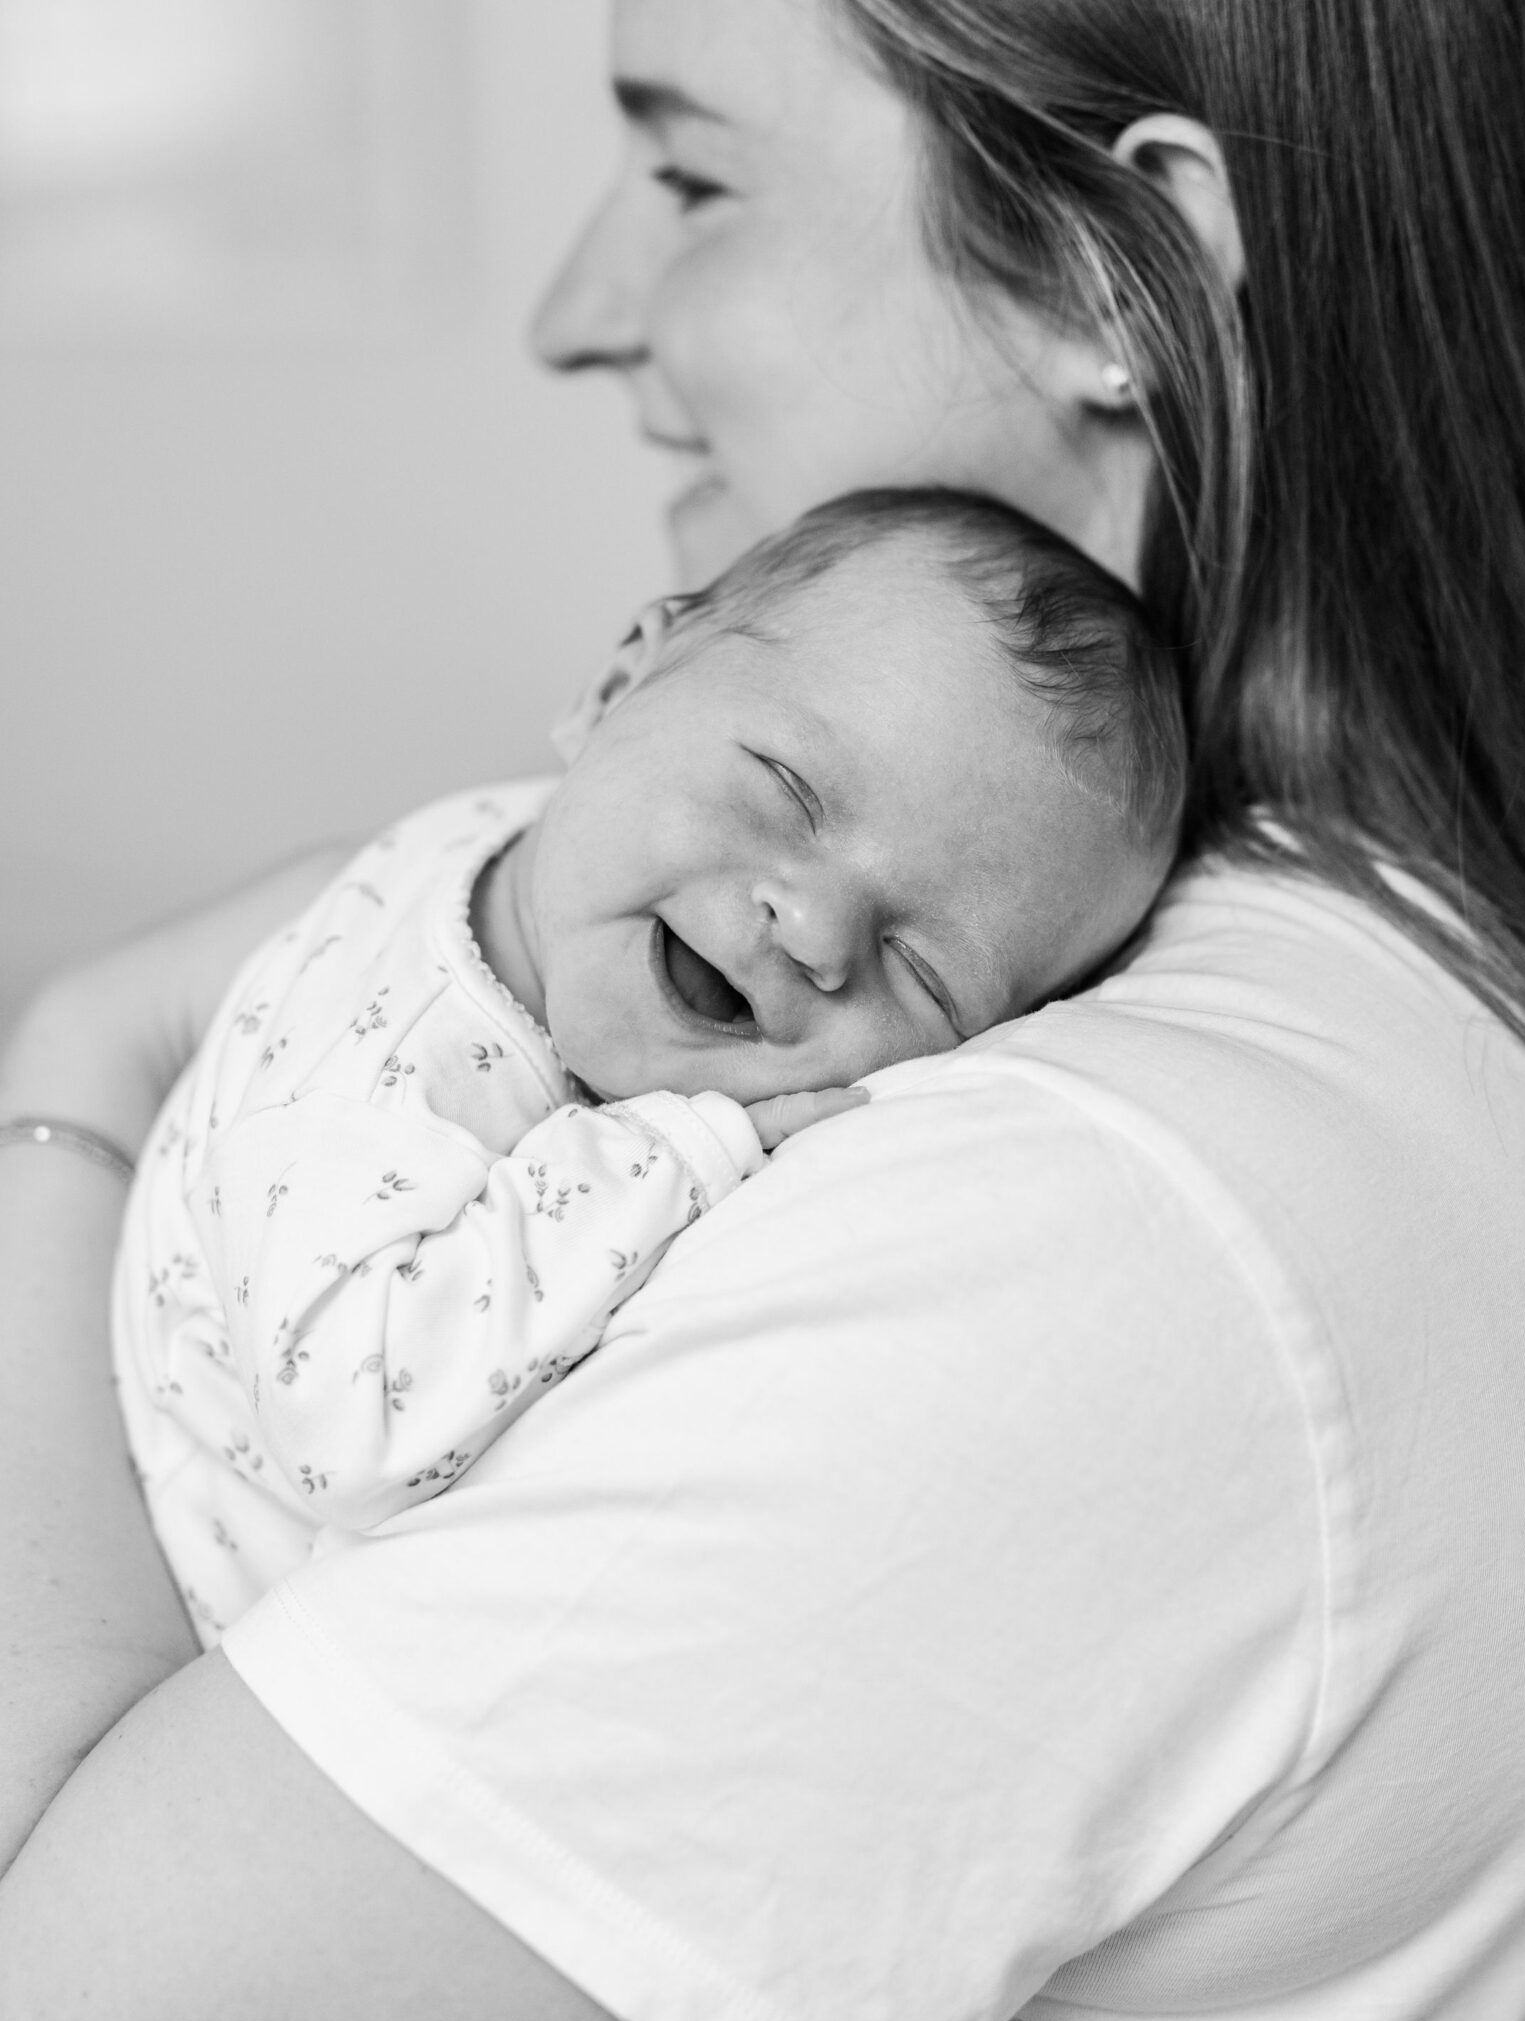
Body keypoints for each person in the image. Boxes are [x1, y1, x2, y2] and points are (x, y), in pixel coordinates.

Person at [3, 0, 1525, 2021]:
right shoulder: (1379, 1004)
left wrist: (77, 1077)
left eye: (685, 166)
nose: (583, 303)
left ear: (1121, 268)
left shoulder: (1101, 1224)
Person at [115, 490, 1181, 1636]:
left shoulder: (548, 864)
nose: (815, 930)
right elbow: (352, 1428)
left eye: (921, 969)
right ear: (617, 685)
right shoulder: (387, 1058)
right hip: (160, 1608)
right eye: (788, 792)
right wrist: (679, 1153)